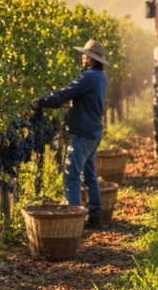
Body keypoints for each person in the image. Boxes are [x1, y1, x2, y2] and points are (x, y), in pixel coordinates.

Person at [32, 40, 109, 227]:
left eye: (85, 55)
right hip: (93, 132)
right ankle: (95, 216)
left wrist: (40, 102)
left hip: (82, 134)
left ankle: (73, 224)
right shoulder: (100, 76)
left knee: (71, 176)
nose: (83, 57)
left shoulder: (89, 76)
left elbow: (64, 95)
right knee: (89, 175)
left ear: (91, 59)